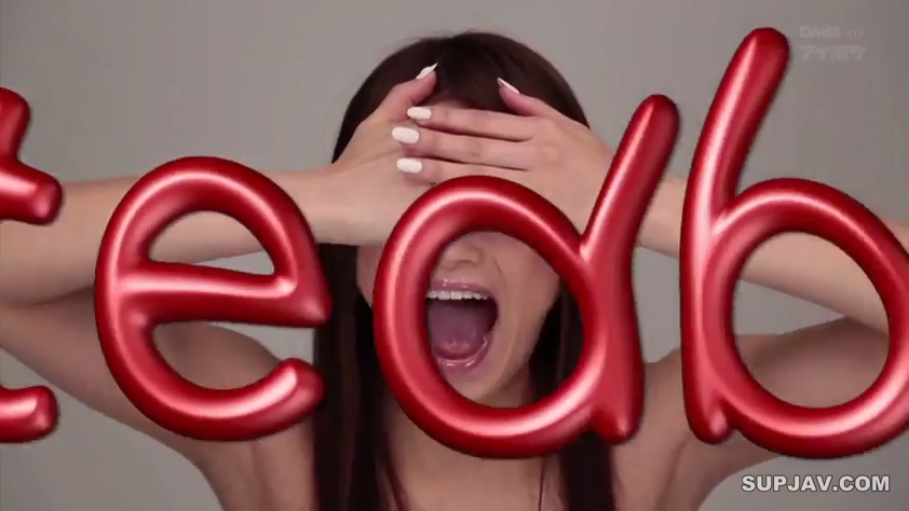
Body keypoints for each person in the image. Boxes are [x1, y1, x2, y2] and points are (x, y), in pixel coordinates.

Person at [0, 31, 899, 511]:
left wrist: (631, 199)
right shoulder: (268, 436)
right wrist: (313, 200)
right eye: (404, 211)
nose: (449, 245)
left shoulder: (657, 436)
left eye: (506, 212)